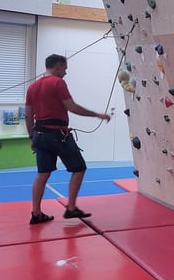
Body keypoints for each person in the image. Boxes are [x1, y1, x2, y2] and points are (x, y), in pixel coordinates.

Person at [24, 54, 111, 225]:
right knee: (79, 168)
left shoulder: (32, 87)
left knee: (42, 174)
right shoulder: (58, 83)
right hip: (58, 135)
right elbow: (72, 107)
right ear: (57, 66)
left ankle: (36, 212)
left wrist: (31, 136)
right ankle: (71, 208)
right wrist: (97, 115)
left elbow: (28, 114)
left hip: (40, 135)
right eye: (64, 68)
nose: (65, 72)